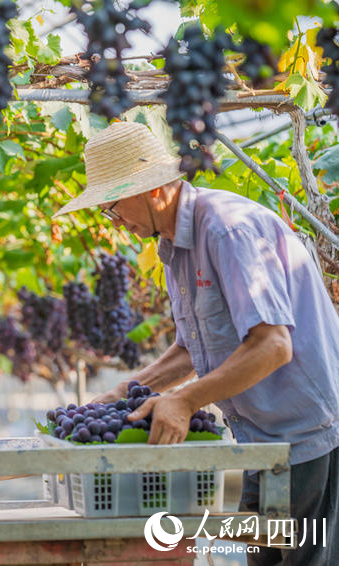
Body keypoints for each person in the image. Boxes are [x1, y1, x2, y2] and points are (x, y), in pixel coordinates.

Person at [55, 121, 339, 565]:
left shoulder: (227, 229)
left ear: (152, 191)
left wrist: (185, 402)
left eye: (113, 207)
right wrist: (128, 389)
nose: (115, 221)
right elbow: (194, 349)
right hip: (260, 440)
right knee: (263, 555)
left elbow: (273, 345)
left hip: (308, 437)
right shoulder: (174, 247)